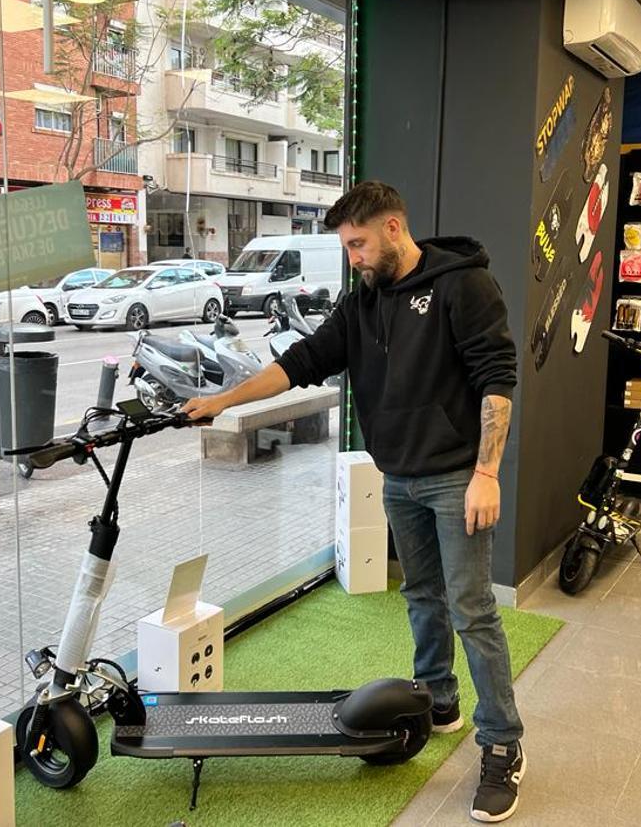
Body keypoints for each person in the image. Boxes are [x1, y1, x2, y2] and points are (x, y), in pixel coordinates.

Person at [183, 180, 525, 822]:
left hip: (457, 477)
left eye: (359, 243)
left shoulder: (463, 285)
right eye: (347, 247)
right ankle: (438, 698)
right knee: (422, 595)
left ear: (394, 228)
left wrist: (487, 472)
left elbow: (496, 379)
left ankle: (503, 745)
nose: (354, 258)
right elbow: (304, 360)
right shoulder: (362, 299)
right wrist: (227, 400)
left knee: (473, 609)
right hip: (398, 475)